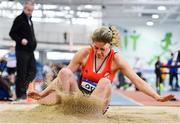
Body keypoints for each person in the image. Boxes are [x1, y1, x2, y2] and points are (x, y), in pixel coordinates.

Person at [28, 26, 174, 114]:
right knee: (65, 72)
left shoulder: (117, 60)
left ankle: (89, 114)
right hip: (79, 99)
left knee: (105, 82)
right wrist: (42, 93)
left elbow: (138, 81)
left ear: (110, 45)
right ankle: (64, 110)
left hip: (97, 105)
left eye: (102, 49)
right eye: (95, 47)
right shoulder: (84, 53)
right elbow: (62, 77)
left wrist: (157, 97)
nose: (98, 52)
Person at [9, 0, 37, 100]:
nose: (30, 12)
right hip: (22, 51)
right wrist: (21, 40)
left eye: (32, 10)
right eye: (29, 10)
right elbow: (12, 33)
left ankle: (23, 90)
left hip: (30, 51)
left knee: (33, 71)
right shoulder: (19, 19)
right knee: (22, 72)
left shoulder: (30, 20)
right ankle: (20, 94)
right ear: (24, 8)